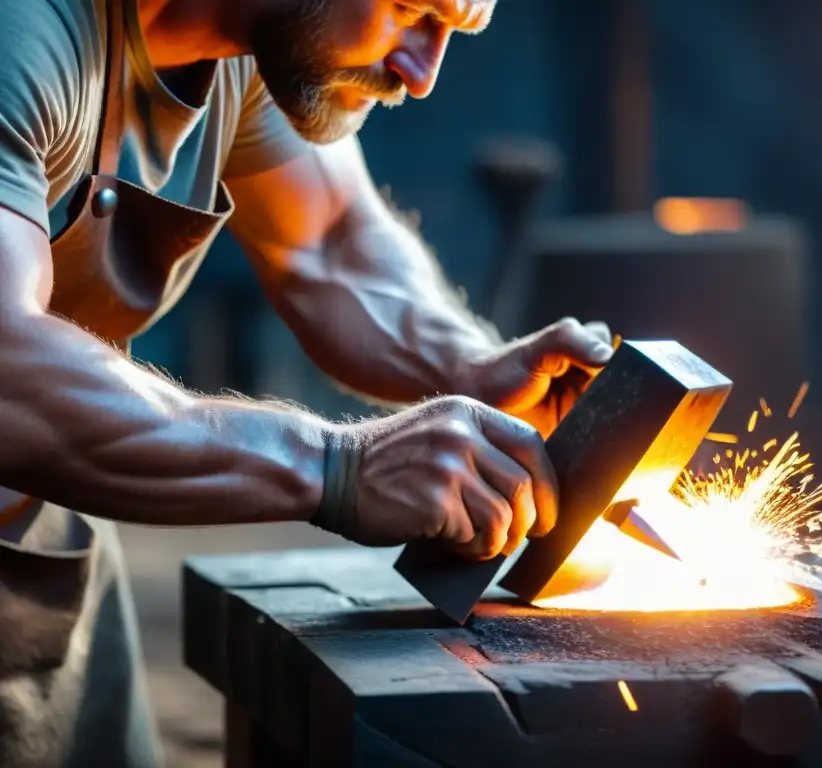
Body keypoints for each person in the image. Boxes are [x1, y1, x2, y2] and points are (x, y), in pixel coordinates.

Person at [0, 0, 613, 764]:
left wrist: (477, 369)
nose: (421, 75)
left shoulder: (243, 45)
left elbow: (330, 243)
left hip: (44, 544)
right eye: (411, 12)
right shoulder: (22, 35)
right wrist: (337, 464)